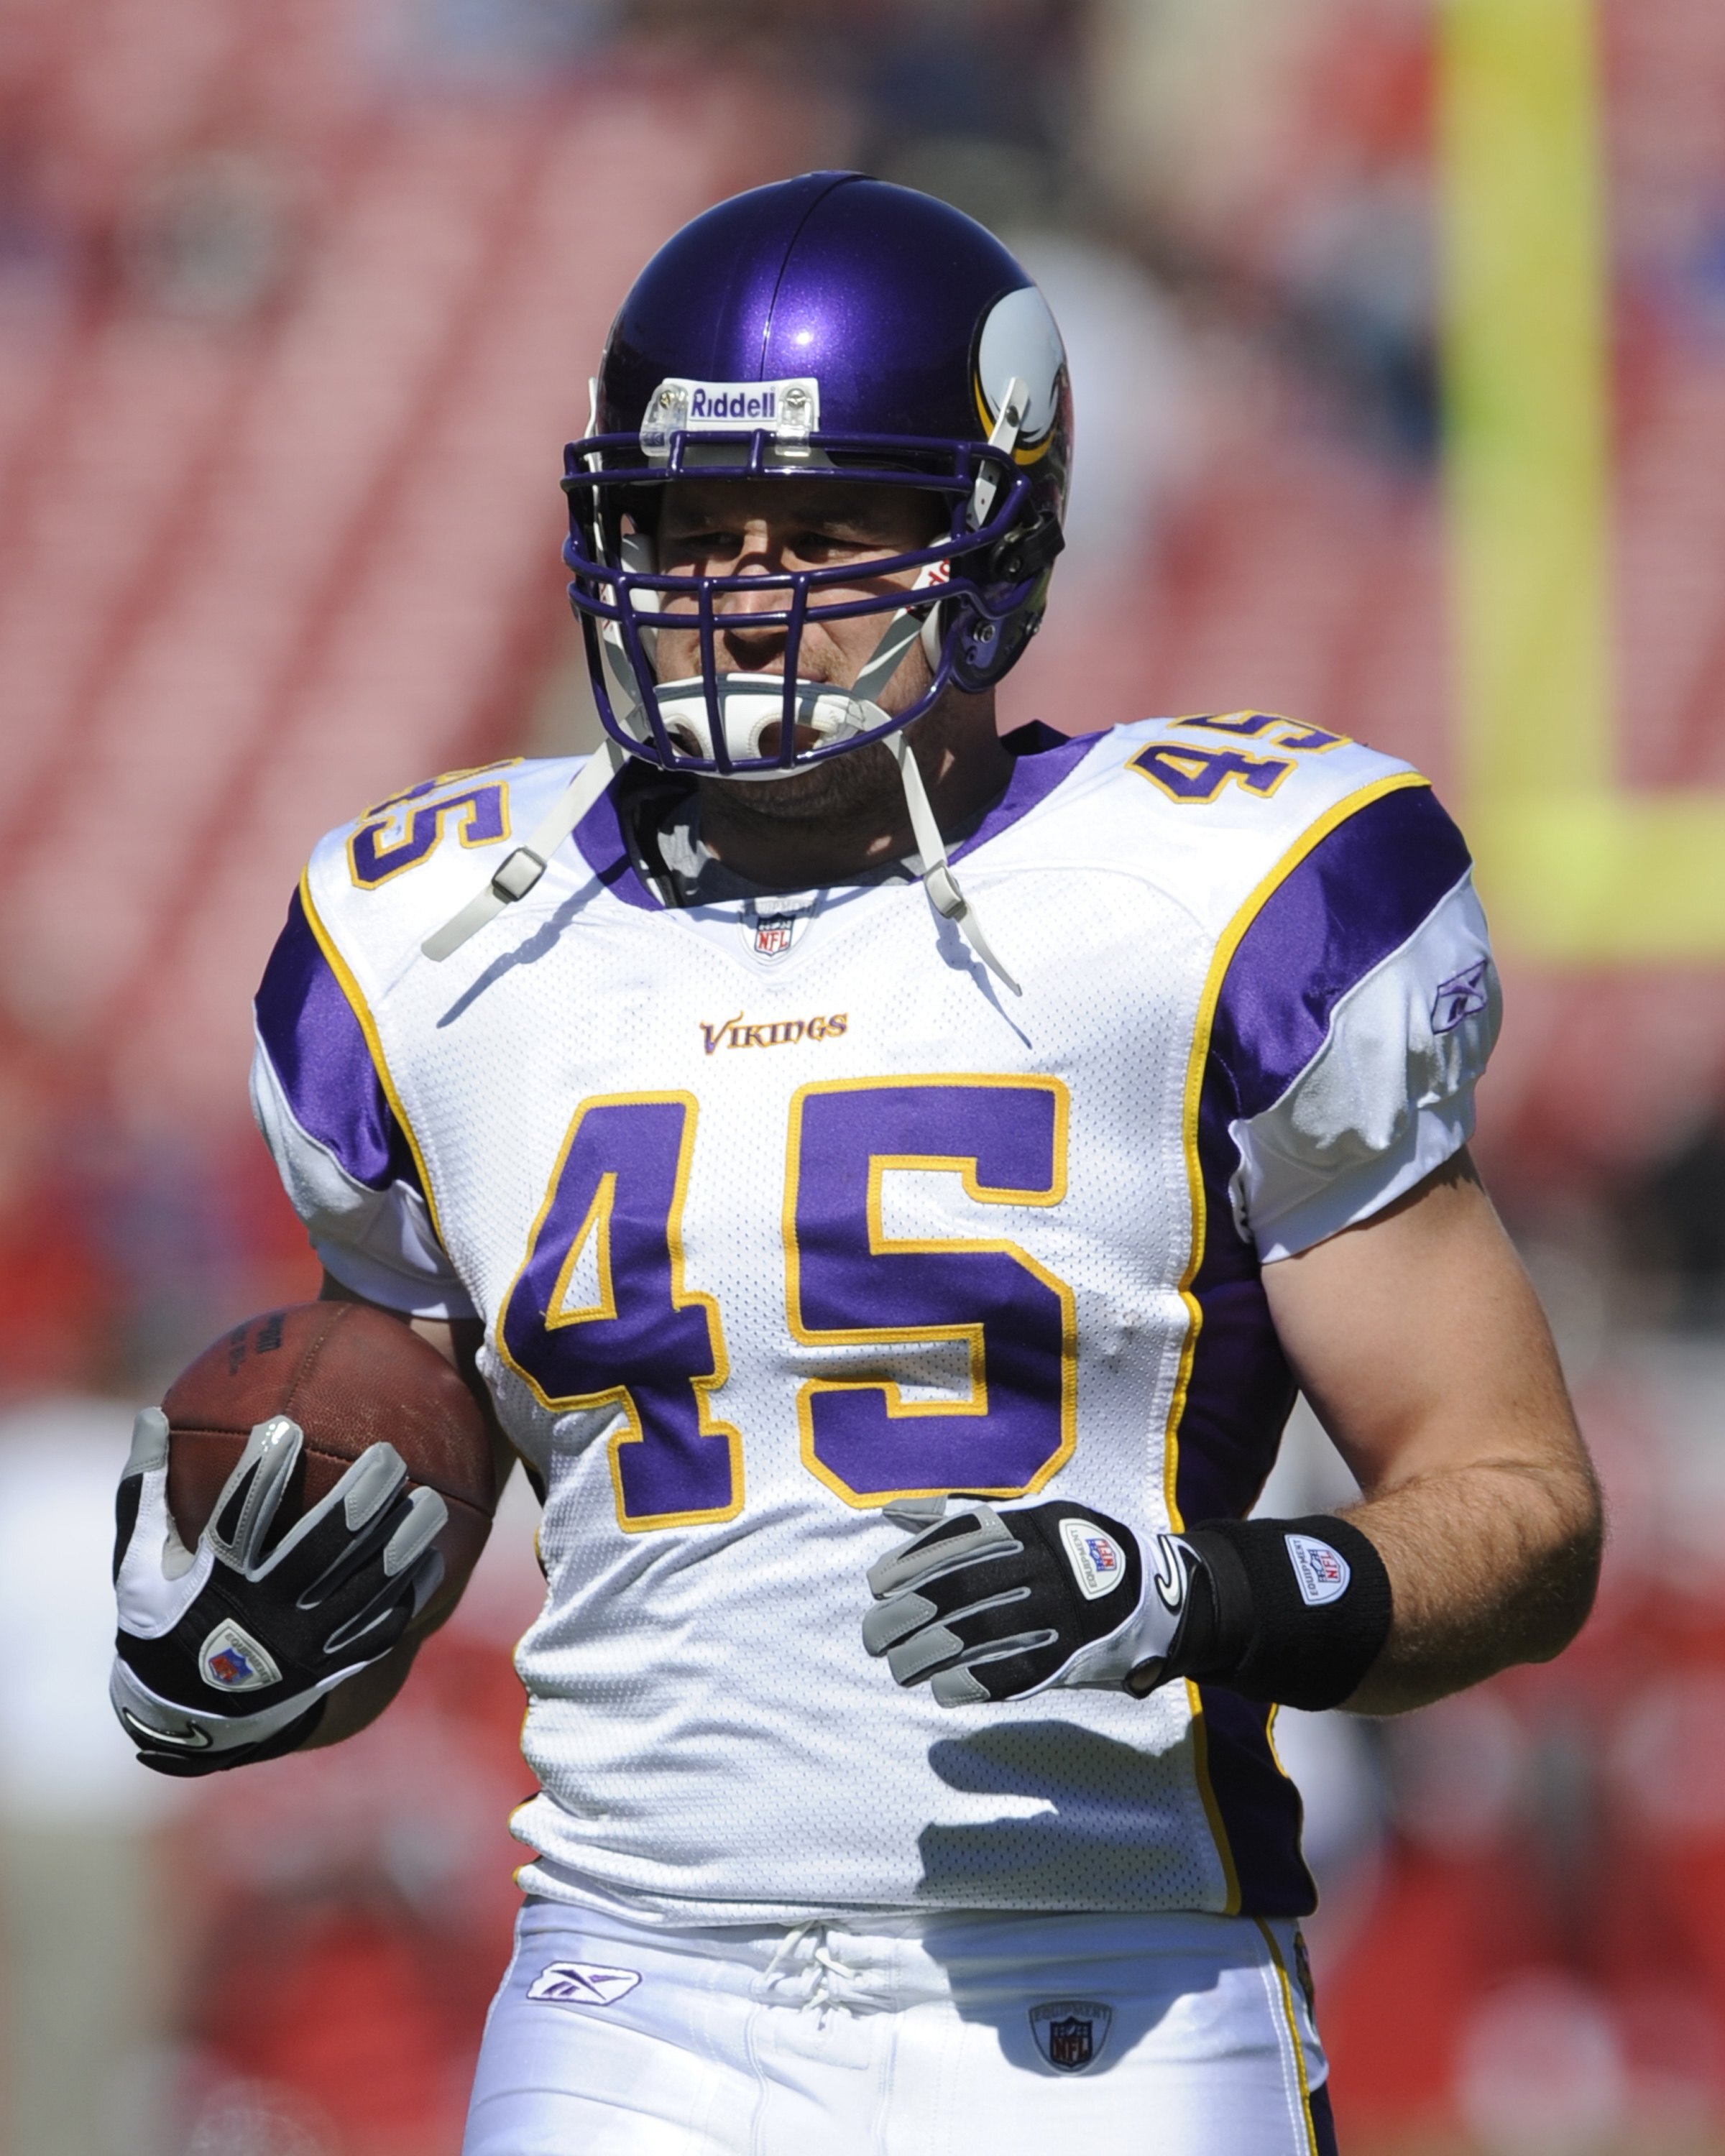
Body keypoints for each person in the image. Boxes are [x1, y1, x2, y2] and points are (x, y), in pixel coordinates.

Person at [110, 172, 1601, 2154]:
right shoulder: (439, 936)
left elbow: (1520, 1515)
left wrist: (1199, 1597)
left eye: (826, 533)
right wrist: (254, 1611)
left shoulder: (1217, 898)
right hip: (631, 1992)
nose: (746, 593)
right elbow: (424, 1439)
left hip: (1117, 1981)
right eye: (692, 531)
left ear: (996, 538)